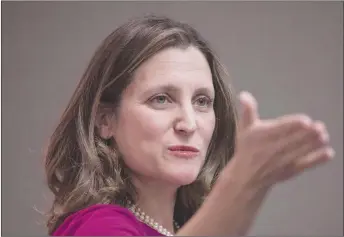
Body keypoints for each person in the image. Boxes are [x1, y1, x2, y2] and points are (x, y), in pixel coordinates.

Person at [44, 15, 334, 236]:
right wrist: (244, 182)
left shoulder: (183, 226)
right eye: (161, 99)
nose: (189, 123)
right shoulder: (97, 227)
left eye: (202, 101)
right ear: (105, 121)